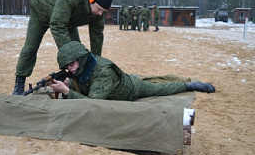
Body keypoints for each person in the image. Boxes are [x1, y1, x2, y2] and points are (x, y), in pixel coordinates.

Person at [12, 0, 114, 95]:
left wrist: (95, 64)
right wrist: (70, 57)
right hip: (41, 11)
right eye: (99, 9)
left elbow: (97, 35)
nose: (100, 13)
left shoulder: (97, 12)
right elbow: (57, 25)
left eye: (103, 11)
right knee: (31, 47)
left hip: (67, 18)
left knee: (78, 54)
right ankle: (19, 83)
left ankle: (76, 83)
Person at [48, 41, 215, 101]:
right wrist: (70, 84)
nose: (69, 69)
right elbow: (86, 83)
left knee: (160, 88)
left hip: (133, 89)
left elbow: (93, 102)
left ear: (81, 59)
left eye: (71, 65)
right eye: (66, 67)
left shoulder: (103, 72)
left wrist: (67, 91)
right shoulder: (83, 68)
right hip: (119, 83)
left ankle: (190, 86)